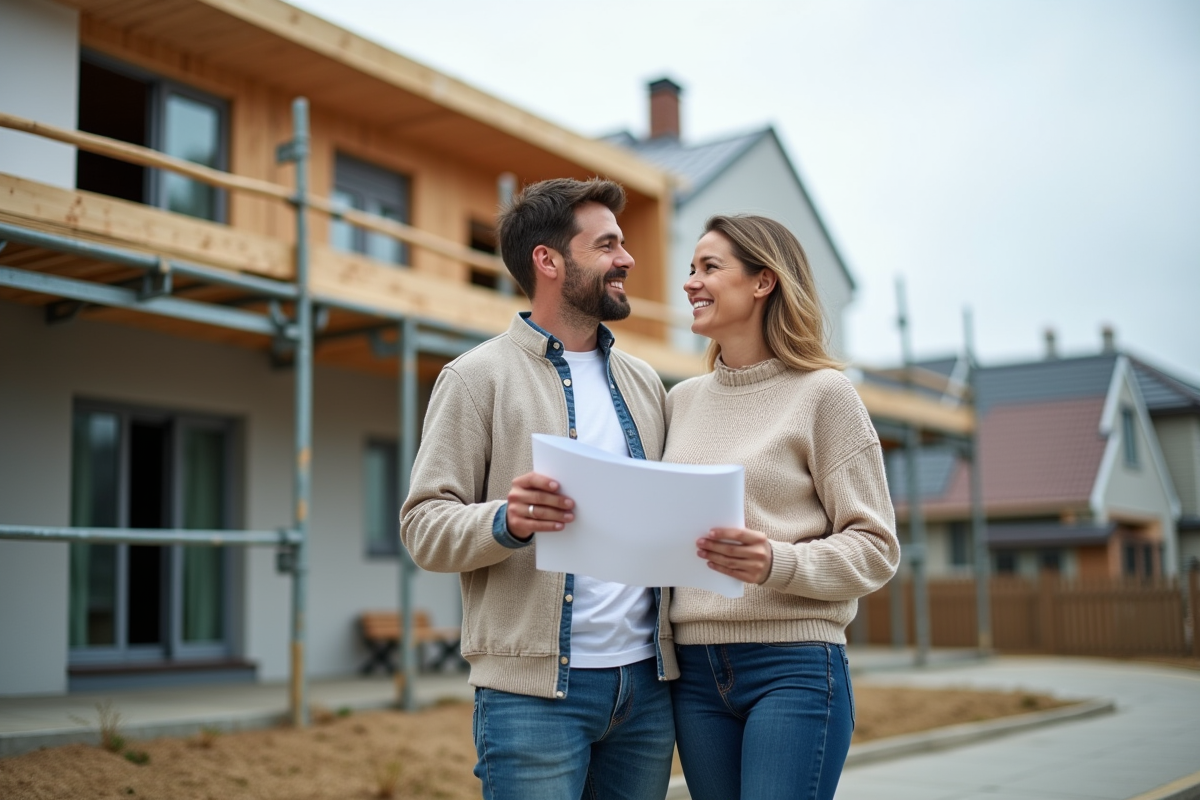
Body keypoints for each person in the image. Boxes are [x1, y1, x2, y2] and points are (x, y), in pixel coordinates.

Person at [400, 177, 677, 800]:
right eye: (607, 246)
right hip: (533, 697)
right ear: (548, 260)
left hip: (647, 689)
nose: (626, 260)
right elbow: (422, 527)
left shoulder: (645, 383)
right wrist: (509, 520)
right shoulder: (476, 378)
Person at [663, 214, 900, 800]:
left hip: (792, 667)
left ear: (763, 281)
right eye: (690, 269)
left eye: (709, 268)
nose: (690, 282)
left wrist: (777, 562)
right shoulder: (679, 402)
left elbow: (876, 547)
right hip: (692, 674)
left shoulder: (825, 395)